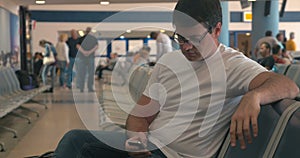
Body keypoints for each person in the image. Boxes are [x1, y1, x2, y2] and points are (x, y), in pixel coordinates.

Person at [54, 0, 299, 157]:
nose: (186, 46)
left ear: (216, 30)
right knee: (74, 140)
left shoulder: (232, 65)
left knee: (76, 143)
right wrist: (136, 140)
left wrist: (254, 96)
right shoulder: (168, 62)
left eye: (194, 38)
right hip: (152, 147)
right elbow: (141, 115)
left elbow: (287, 85)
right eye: (180, 38)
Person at [76, 27, 98, 92]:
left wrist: (84, 52)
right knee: (90, 73)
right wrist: (89, 52)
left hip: (82, 57)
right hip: (90, 57)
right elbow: (96, 46)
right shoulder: (93, 38)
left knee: (82, 73)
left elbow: (77, 46)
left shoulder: (81, 38)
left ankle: (81, 88)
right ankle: (89, 88)